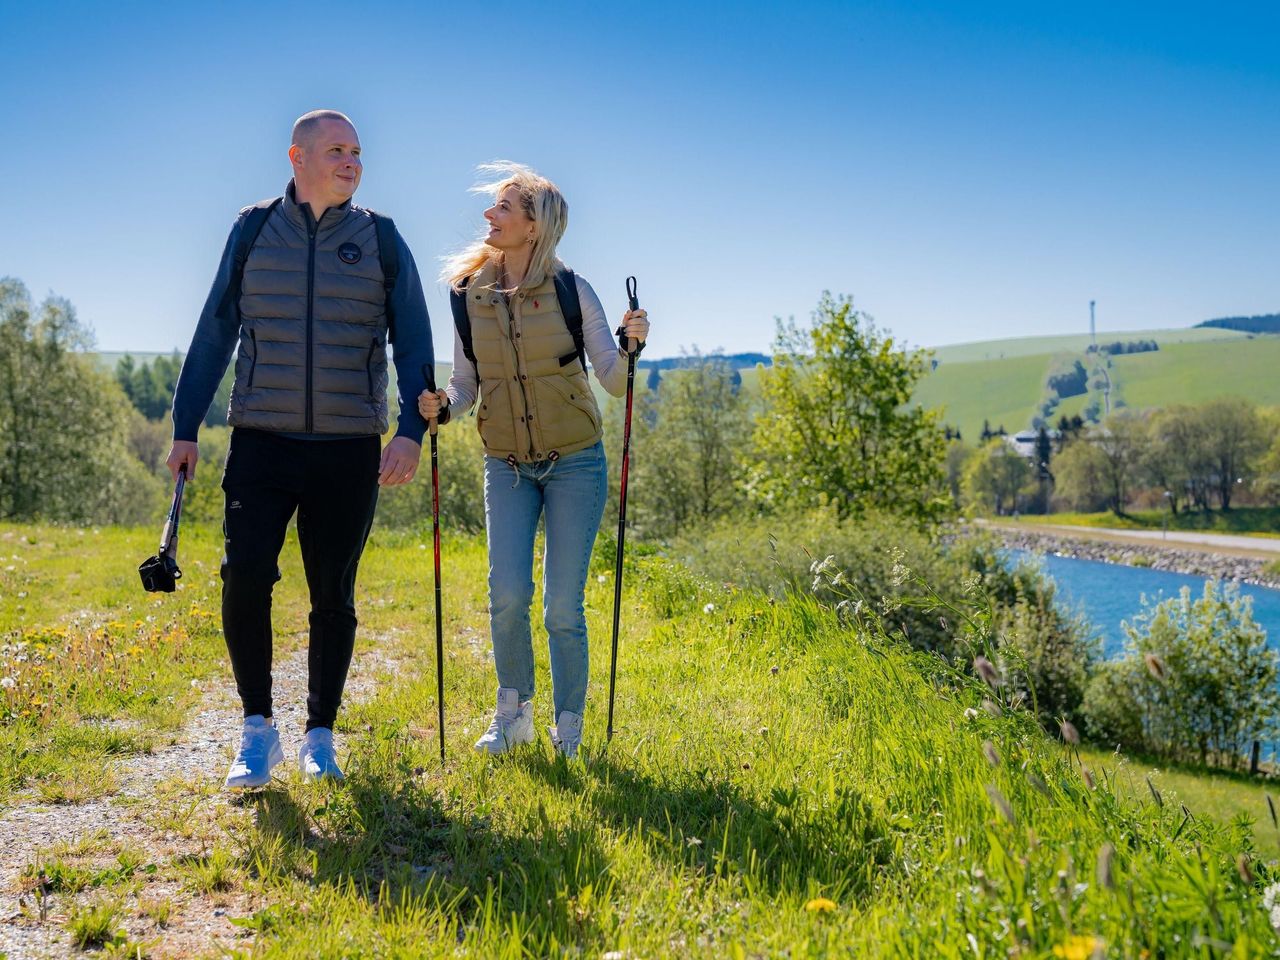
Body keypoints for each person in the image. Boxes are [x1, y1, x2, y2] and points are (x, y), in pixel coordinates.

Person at [166, 110, 434, 788]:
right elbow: (214, 328)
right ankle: (257, 731)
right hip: (262, 437)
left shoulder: (382, 239)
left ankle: (320, 736)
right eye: (337, 150)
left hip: (348, 447)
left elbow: (416, 339)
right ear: (298, 156)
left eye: (357, 152)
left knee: (332, 594)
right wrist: (185, 425)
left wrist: (410, 430)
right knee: (245, 575)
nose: (352, 162)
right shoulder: (255, 229)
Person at [418, 162, 649, 759]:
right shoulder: (469, 293)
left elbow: (615, 383)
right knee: (508, 593)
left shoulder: (573, 290)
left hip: (575, 462)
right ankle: (513, 713)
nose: (489, 216)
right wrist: (442, 407)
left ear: (534, 225)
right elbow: (466, 385)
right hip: (507, 464)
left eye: (502, 207)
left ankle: (568, 727)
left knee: (561, 607)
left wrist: (631, 347)